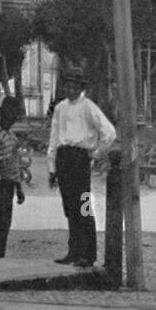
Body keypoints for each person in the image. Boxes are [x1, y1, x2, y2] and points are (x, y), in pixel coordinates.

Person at [47, 68, 117, 268]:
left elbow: (109, 133)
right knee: (69, 207)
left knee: (84, 206)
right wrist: (52, 167)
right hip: (64, 158)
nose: (71, 89)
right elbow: (54, 137)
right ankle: (74, 250)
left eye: (75, 86)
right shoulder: (60, 108)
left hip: (80, 159)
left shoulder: (88, 107)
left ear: (81, 87)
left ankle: (88, 253)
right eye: (67, 85)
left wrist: (95, 154)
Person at [0, 96, 27, 258]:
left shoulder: (12, 136)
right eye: (9, 116)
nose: (11, 120)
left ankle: (0, 251)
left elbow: (16, 164)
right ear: (2, 114)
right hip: (0, 182)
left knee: (6, 219)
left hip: (10, 183)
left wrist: (19, 188)